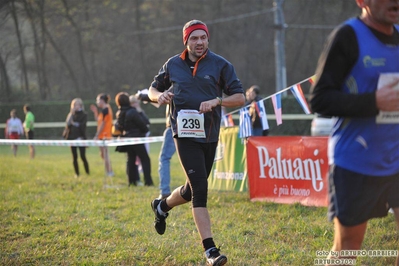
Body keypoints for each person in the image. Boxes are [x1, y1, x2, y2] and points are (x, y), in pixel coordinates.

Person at [148, 20, 244, 266]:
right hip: (183, 134)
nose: (199, 42)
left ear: (208, 39)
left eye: (203, 38)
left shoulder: (221, 65)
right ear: (186, 41)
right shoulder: (173, 64)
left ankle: (162, 206)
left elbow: (240, 97)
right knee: (200, 190)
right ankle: (210, 250)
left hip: (210, 135)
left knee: (191, 190)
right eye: (194, 38)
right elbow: (152, 89)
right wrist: (161, 96)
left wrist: (218, 101)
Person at [310, 0, 399, 265]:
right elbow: (320, 100)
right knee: (348, 248)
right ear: (362, 1)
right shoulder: (347, 36)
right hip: (356, 161)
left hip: (396, 157)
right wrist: (373, 102)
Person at [136, 90, 175, 199]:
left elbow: (161, 97)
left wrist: (141, 96)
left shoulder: (177, 78)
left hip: (174, 125)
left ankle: (165, 191)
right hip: (194, 127)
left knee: (164, 158)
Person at [114, 92, 153, 186]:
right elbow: (143, 124)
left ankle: (131, 182)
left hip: (127, 139)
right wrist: (143, 131)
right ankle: (148, 182)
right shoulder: (132, 111)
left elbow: (119, 127)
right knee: (145, 159)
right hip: (137, 139)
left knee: (131, 160)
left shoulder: (119, 113)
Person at [64, 98, 89, 178]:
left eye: (77, 104)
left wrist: (74, 123)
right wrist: (71, 115)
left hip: (80, 138)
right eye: (74, 105)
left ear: (80, 105)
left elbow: (82, 126)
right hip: (72, 138)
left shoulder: (84, 115)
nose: (75, 106)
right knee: (74, 157)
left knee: (83, 156)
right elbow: (68, 125)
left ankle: (87, 172)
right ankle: (77, 173)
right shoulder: (71, 115)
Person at [90, 93, 113, 176]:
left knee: (105, 154)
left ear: (102, 101)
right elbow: (98, 120)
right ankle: (109, 169)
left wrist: (96, 135)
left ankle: (109, 171)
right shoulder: (103, 110)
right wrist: (95, 112)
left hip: (104, 135)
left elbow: (103, 124)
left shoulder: (106, 110)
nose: (97, 102)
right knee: (103, 154)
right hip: (102, 135)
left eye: (98, 100)